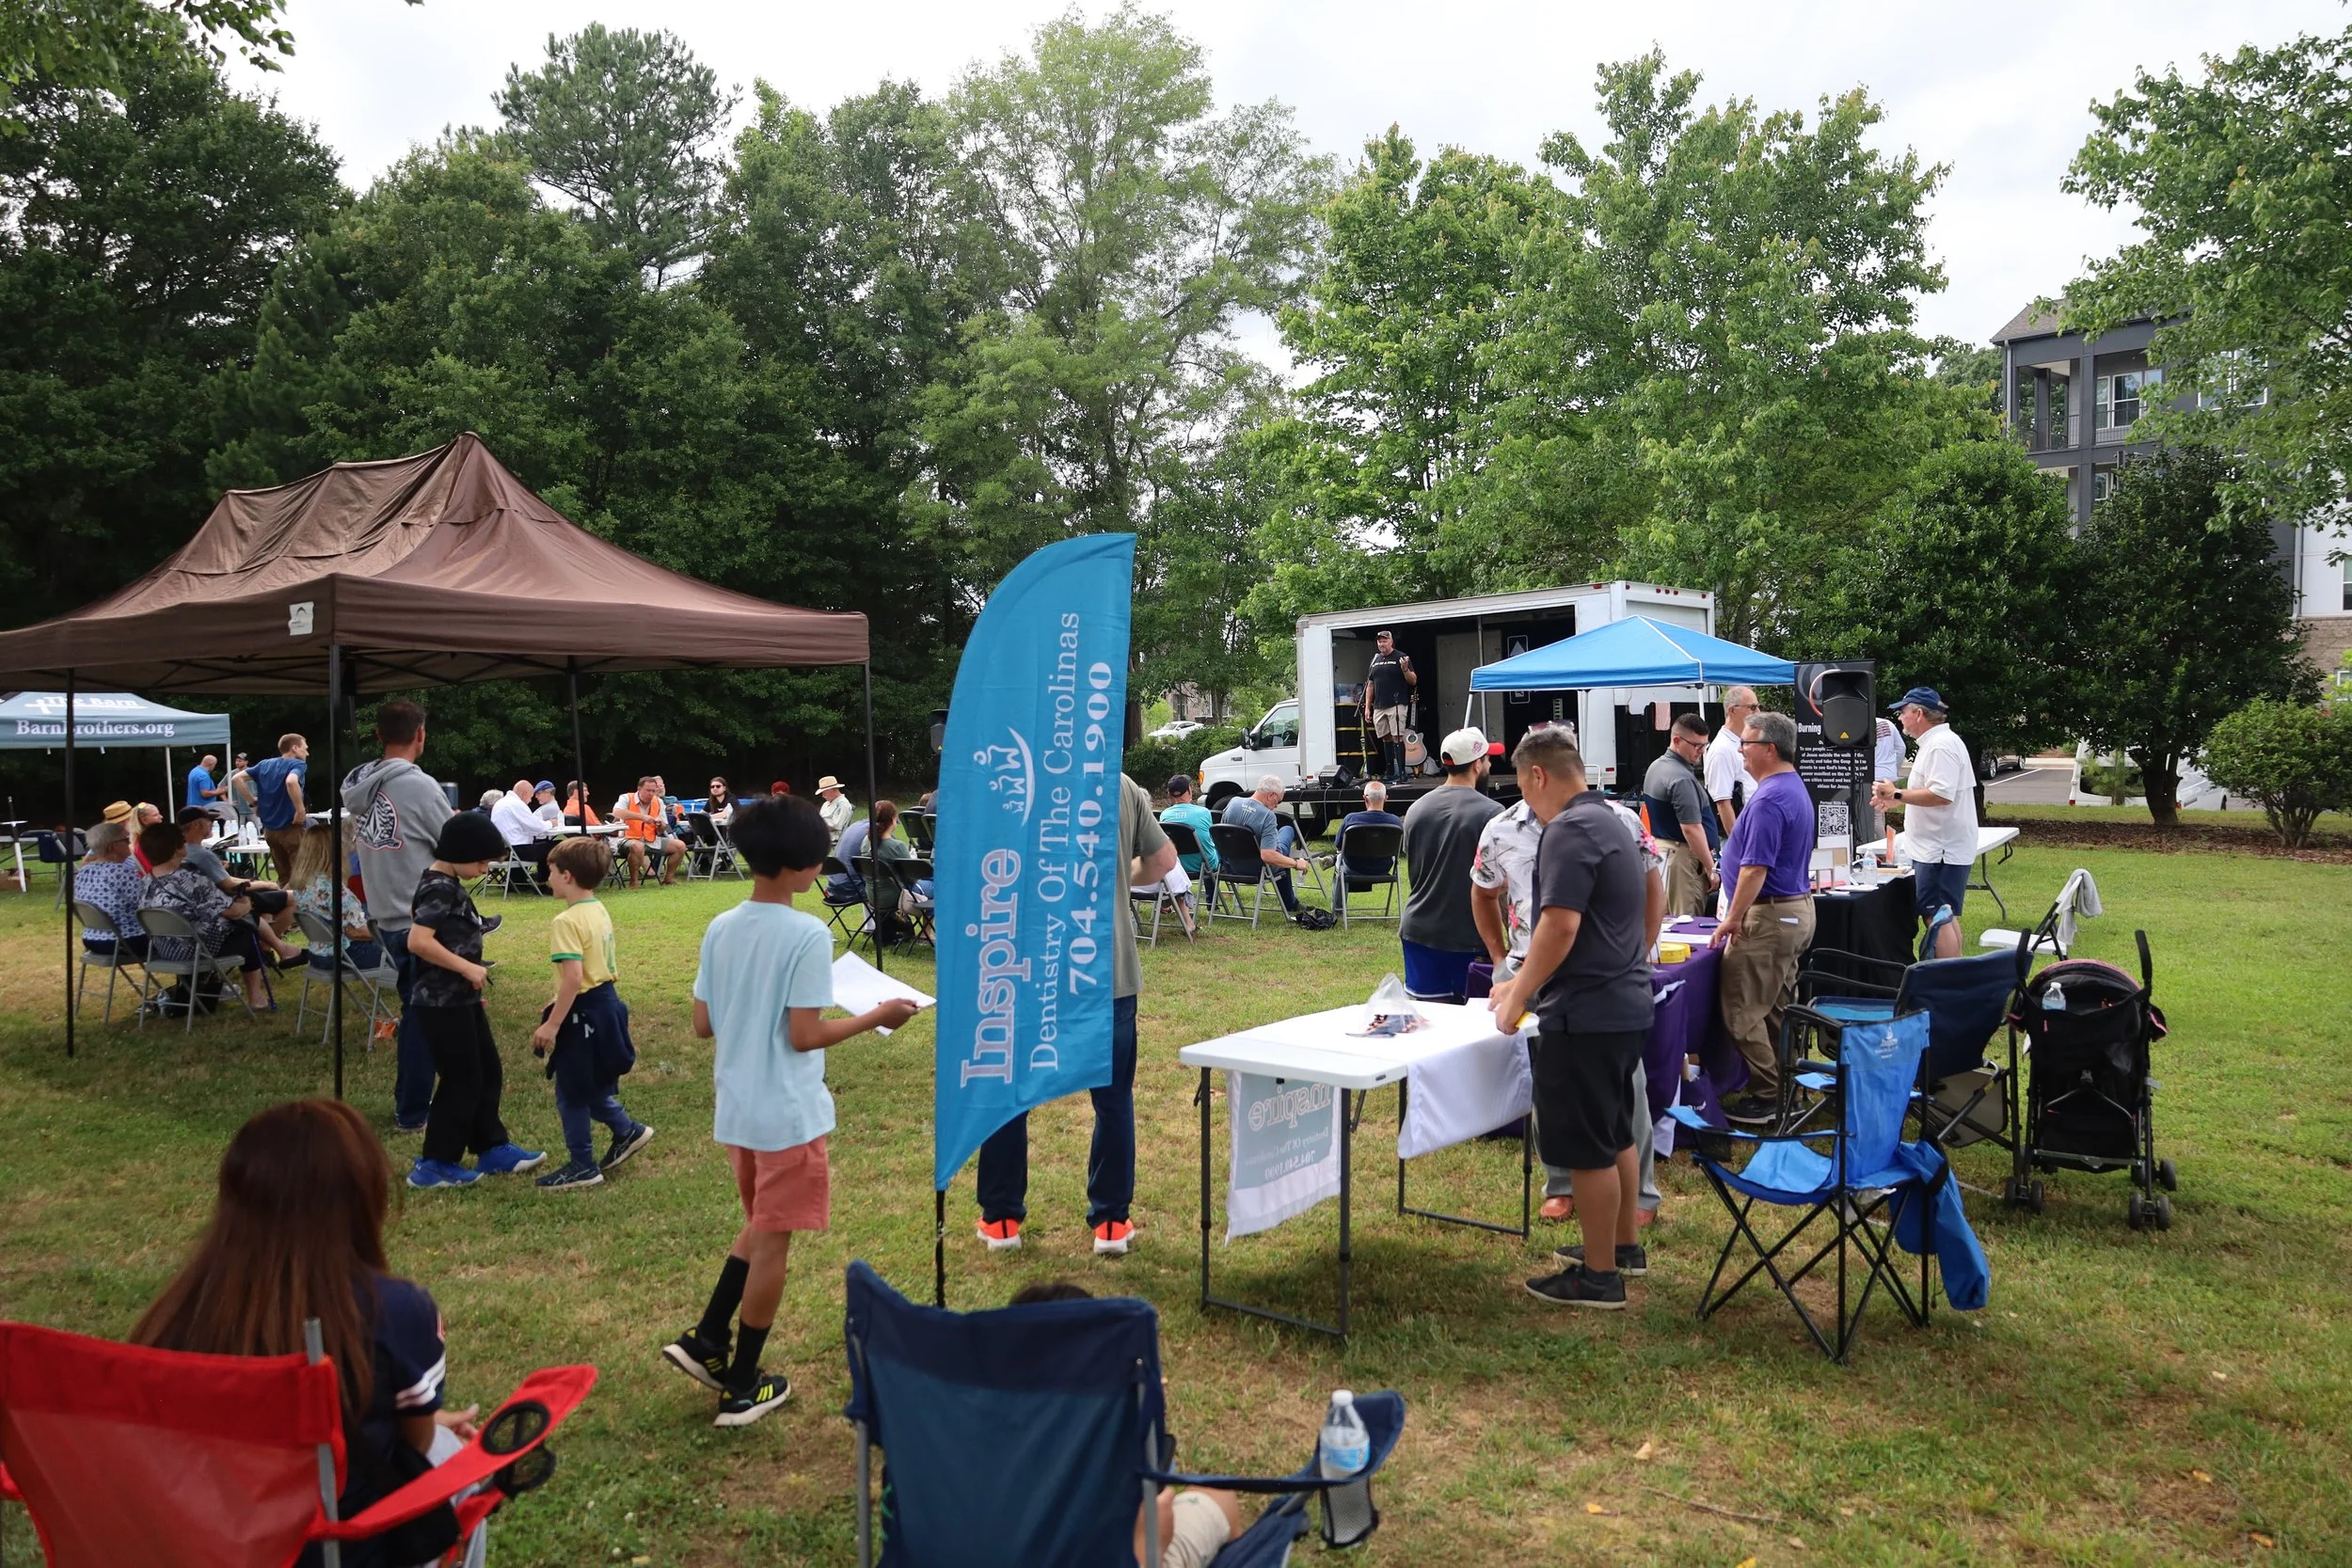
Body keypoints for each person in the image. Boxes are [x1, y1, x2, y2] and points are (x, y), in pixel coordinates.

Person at [129, 1100, 492, 1568]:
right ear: (361, 1198)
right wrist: (428, 1424)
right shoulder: (396, 1311)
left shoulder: (181, 1314)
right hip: (337, 1549)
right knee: (452, 1456)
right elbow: (415, 1444)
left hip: (210, 1543)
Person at [662, 796, 917, 1427]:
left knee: (759, 1221)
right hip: (788, 1113)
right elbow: (805, 1034)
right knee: (773, 1241)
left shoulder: (722, 925)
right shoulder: (805, 932)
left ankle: (707, 1338)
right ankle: (743, 1383)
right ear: (801, 862)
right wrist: (877, 1017)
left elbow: (701, 1023)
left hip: (739, 1109)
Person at [1486, 727, 1653, 1310]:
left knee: (1586, 1146)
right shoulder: (1614, 819)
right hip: (1623, 1002)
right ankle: (1622, 1246)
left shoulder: (1568, 829)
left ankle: (1599, 1276)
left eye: (1523, 788)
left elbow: (1559, 926)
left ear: (1537, 775)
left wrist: (1517, 994)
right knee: (1614, 1131)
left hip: (1587, 1012)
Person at [977, 775, 1176, 1257]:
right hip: (1104, 969)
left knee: (1009, 1093)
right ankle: (1110, 1223)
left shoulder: (1017, 766)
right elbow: (1163, 861)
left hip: (1025, 967)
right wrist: (1119, 877)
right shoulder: (1121, 782)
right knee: (1113, 1100)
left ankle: (1001, 1219)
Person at [1009, 1280, 1247, 1568]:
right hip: (1131, 1555)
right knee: (1220, 1498)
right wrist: (1149, 1545)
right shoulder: (1108, 1451)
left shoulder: (969, 1453)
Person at [403, 811, 544, 1189]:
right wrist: (467, 968)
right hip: (440, 1002)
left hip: (460, 998)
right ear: (458, 852)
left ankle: (491, 1146)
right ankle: (435, 1164)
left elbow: (431, 922)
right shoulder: (439, 886)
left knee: (487, 1069)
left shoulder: (446, 882)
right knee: (461, 1078)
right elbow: (418, 941)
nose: (484, 868)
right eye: (481, 861)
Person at [345, 699, 455, 1137]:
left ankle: (426, 1097)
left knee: (421, 1010)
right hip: (419, 916)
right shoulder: (420, 786)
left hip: (384, 913)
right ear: (421, 735)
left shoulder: (359, 783)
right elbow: (453, 844)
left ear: (378, 736)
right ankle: (412, 1110)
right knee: (422, 1017)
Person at [528, 836, 653, 1192]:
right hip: (605, 1004)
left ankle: (583, 1165)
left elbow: (574, 976)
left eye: (550, 872)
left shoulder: (565, 921)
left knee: (571, 1092)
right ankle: (628, 1131)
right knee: (588, 1084)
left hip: (584, 1013)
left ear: (567, 876)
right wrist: (556, 1002)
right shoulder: (598, 908)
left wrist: (553, 1023)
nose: (547, 878)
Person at [1711, 711, 1818, 1125]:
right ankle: (1786, 1086)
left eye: (1747, 745)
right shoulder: (1790, 787)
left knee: (1740, 1008)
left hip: (1770, 915)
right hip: (1792, 911)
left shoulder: (1771, 798)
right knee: (1775, 1006)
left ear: (1769, 749)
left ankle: (1770, 1095)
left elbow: (1756, 868)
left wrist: (1733, 918)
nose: (1741, 752)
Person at [1398, 728, 1503, 1003]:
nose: (1490, 765)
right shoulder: (1493, 814)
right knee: (1476, 1030)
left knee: (1432, 1027)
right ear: (1478, 764)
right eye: (1487, 760)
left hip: (1418, 933)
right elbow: (1497, 886)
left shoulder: (1416, 809)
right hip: (1467, 938)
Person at [1873, 687, 1977, 960]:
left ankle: (1946, 983)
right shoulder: (1939, 743)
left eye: (1903, 712)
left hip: (1939, 848)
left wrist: (1896, 793)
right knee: (1943, 914)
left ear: (1918, 713)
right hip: (1940, 846)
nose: (1899, 718)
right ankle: (1955, 979)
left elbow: (1942, 795)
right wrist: (1899, 800)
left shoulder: (1941, 745)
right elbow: (1933, 791)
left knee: (1936, 916)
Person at [138, 820, 274, 1013]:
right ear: (178, 849)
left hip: (164, 949)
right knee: (247, 930)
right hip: (196, 950)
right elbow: (232, 911)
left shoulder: (146, 881)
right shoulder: (191, 880)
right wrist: (246, 904)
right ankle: (257, 998)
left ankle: (192, 995)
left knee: (219, 928)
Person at [176, 807, 305, 968]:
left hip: (207, 906)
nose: (212, 824)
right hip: (229, 902)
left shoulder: (179, 851)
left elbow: (222, 879)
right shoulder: (203, 854)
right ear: (196, 825)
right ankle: (268, 949)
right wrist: (265, 883)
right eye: (209, 821)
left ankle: (269, 948)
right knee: (296, 898)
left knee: (267, 902)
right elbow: (229, 886)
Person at [288, 818, 386, 993]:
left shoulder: (302, 887)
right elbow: (355, 932)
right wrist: (386, 933)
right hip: (345, 956)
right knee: (407, 948)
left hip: (318, 955)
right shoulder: (335, 890)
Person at [1641, 715, 1719, 917]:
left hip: (1665, 852)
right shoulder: (1681, 778)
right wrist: (1712, 869)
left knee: (1668, 919)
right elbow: (1691, 828)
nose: (1701, 752)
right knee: (1686, 921)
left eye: (1705, 745)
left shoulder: (1656, 767)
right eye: (1696, 746)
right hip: (1683, 859)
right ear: (1677, 741)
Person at [1219, 775, 1315, 916]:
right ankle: (1290, 903)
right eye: (1278, 800)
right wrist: (1295, 863)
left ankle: (1290, 902)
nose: (1277, 805)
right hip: (1259, 868)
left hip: (1230, 866)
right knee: (1287, 831)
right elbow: (1268, 855)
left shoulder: (1233, 803)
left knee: (1279, 843)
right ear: (1271, 795)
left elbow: (1222, 836)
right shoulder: (1267, 816)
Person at [73, 819, 149, 960]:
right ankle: (193, 981)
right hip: (125, 941)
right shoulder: (121, 872)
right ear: (112, 847)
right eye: (126, 840)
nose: (130, 843)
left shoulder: (83, 872)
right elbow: (147, 904)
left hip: (91, 939)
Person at [245, 733, 311, 887]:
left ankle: (282, 906)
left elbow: (237, 779)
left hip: (270, 830)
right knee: (300, 876)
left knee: (283, 878)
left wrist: (253, 803)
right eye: (305, 748)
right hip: (291, 827)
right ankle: (298, 909)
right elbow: (291, 781)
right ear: (295, 748)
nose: (307, 753)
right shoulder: (297, 765)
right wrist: (300, 810)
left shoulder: (264, 764)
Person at [1359, 628, 1419, 784]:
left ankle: (1402, 773)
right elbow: (1370, 685)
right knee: (1385, 738)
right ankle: (1390, 771)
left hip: (1396, 704)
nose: (1382, 643)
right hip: (1379, 705)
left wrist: (1405, 669)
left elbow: (1413, 680)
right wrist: (1367, 707)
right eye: (1379, 641)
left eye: (1385, 640)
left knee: (1398, 736)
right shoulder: (1375, 660)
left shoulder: (1401, 657)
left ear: (1391, 642)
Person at [1705, 687, 1760, 840]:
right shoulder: (1722, 749)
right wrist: (1739, 844)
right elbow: (1722, 803)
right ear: (1732, 710)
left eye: (1758, 707)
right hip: (1739, 836)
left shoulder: (1742, 741)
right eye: (1752, 707)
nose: (1758, 713)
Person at [615, 776, 688, 886]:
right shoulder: (626, 798)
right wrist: (642, 817)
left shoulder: (658, 802)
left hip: (651, 840)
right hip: (627, 839)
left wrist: (660, 825)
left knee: (680, 846)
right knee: (638, 846)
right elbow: (617, 812)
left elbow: (664, 827)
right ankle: (633, 882)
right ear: (639, 789)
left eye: (654, 791)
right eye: (648, 790)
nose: (651, 794)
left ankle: (668, 879)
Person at [1333, 779, 1403, 892]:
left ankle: (1339, 908)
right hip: (1383, 869)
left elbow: (1339, 846)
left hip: (1353, 867)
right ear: (1386, 798)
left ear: (1365, 798)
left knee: (1339, 859)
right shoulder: (1395, 822)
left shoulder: (1351, 819)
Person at [490, 778, 555, 881]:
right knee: (555, 847)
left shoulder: (501, 802)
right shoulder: (516, 804)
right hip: (517, 851)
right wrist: (552, 823)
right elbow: (538, 827)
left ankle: (516, 881)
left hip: (503, 849)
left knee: (543, 847)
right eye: (530, 797)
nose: (530, 801)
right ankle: (544, 882)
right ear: (524, 793)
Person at [1159, 774, 1218, 879]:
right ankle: (1211, 895)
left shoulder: (1164, 815)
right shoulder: (1204, 813)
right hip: (1203, 866)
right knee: (1215, 848)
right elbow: (1208, 839)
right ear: (1189, 791)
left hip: (1177, 865)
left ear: (1169, 794)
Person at [1870, 717, 1907, 845]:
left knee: (1876, 817)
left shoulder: (1861, 723)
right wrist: (1893, 768)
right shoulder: (1888, 723)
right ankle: (1885, 847)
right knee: (1881, 812)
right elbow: (1901, 748)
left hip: (1872, 774)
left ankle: (1885, 848)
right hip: (1887, 775)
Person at [184, 752, 228, 816]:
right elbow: (205, 794)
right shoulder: (204, 775)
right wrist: (220, 791)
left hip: (192, 806)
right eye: (214, 765)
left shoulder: (194, 771)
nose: (214, 767)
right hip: (203, 809)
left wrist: (216, 791)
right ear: (211, 764)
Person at [817, 775, 855, 844]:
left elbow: (835, 825)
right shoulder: (826, 804)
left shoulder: (843, 804)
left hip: (831, 835)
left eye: (824, 792)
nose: (823, 796)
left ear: (834, 790)